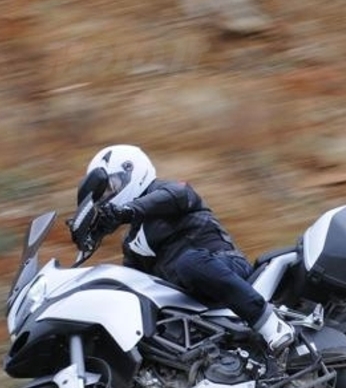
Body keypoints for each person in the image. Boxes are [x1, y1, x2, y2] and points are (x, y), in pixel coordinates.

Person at [74, 144, 294, 353]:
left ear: (131, 171)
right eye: (104, 193)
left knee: (189, 263)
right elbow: (133, 284)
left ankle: (270, 324)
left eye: (111, 187)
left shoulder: (167, 191)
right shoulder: (131, 242)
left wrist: (126, 211)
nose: (108, 196)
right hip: (189, 298)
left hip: (225, 265)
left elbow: (176, 195)